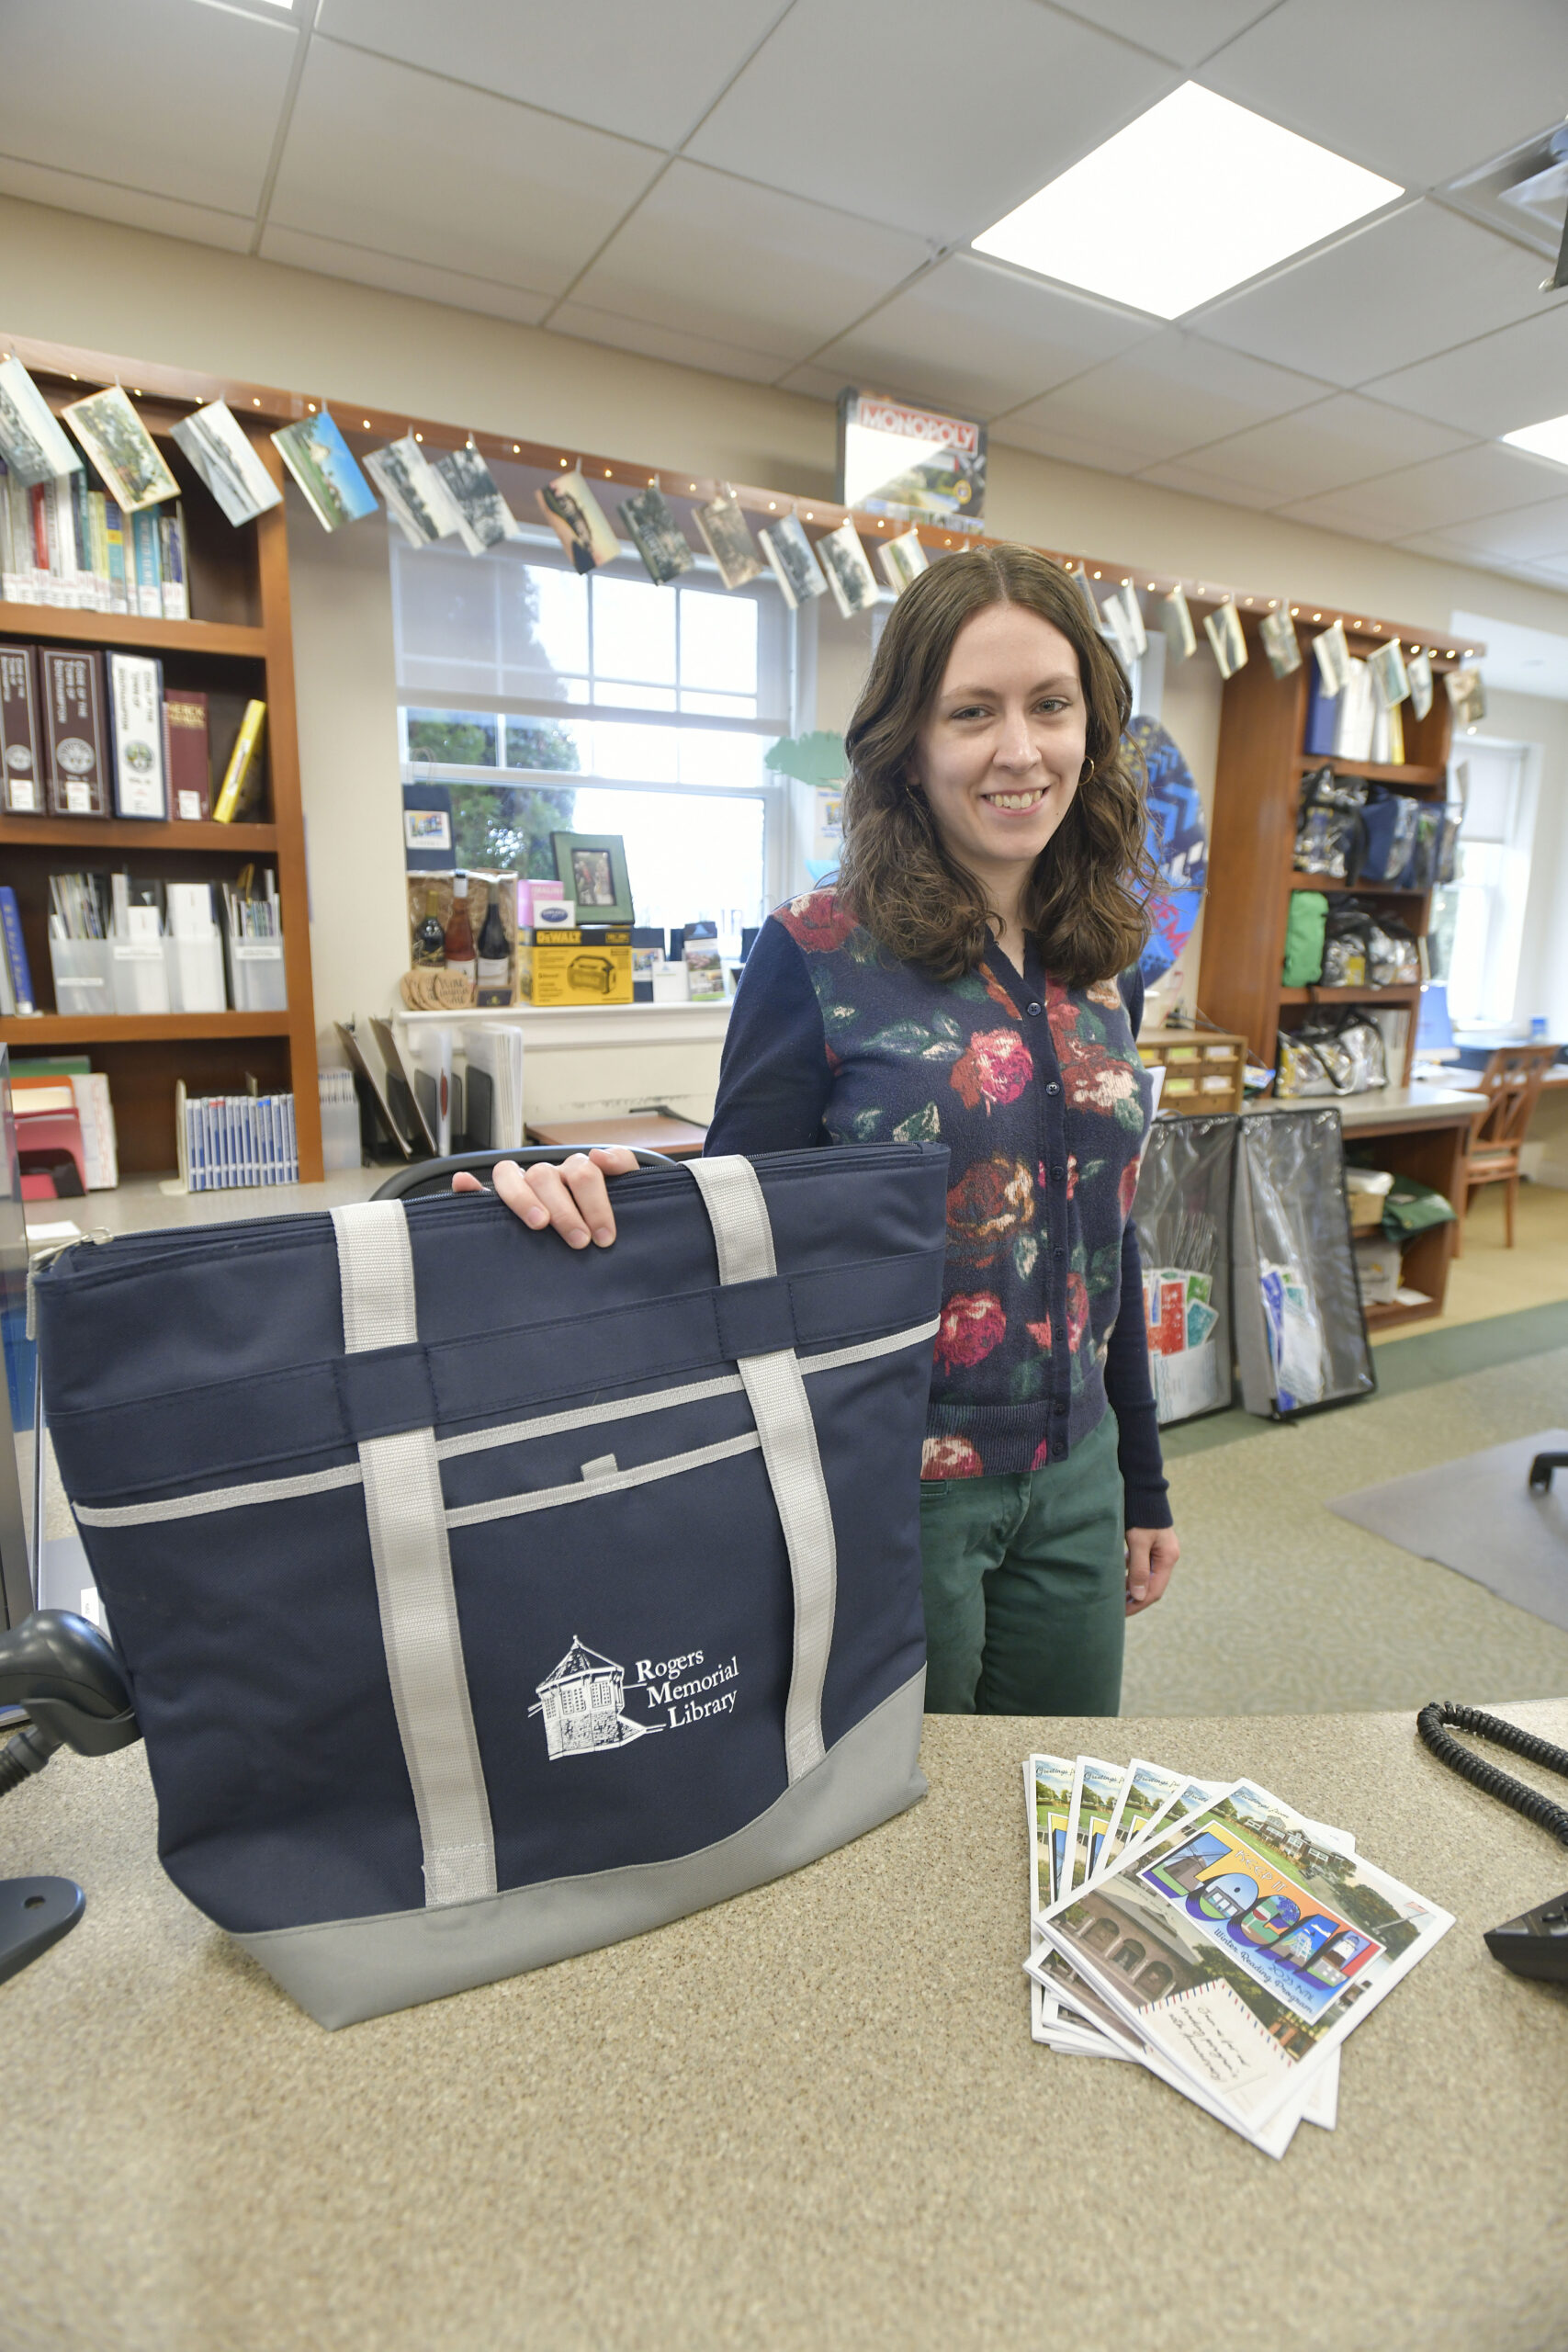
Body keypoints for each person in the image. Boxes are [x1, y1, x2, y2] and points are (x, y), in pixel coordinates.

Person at [458, 543, 1179, 1716]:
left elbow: (1111, 1232)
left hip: (1076, 1474)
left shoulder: (1106, 963)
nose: (1019, 749)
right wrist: (584, 1194)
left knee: (1057, 1802)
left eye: (1052, 706)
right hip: (891, 1479)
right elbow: (740, 1222)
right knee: (893, 1832)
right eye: (971, 712)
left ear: (1090, 726)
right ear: (910, 743)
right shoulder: (818, 951)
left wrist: (1141, 1481)